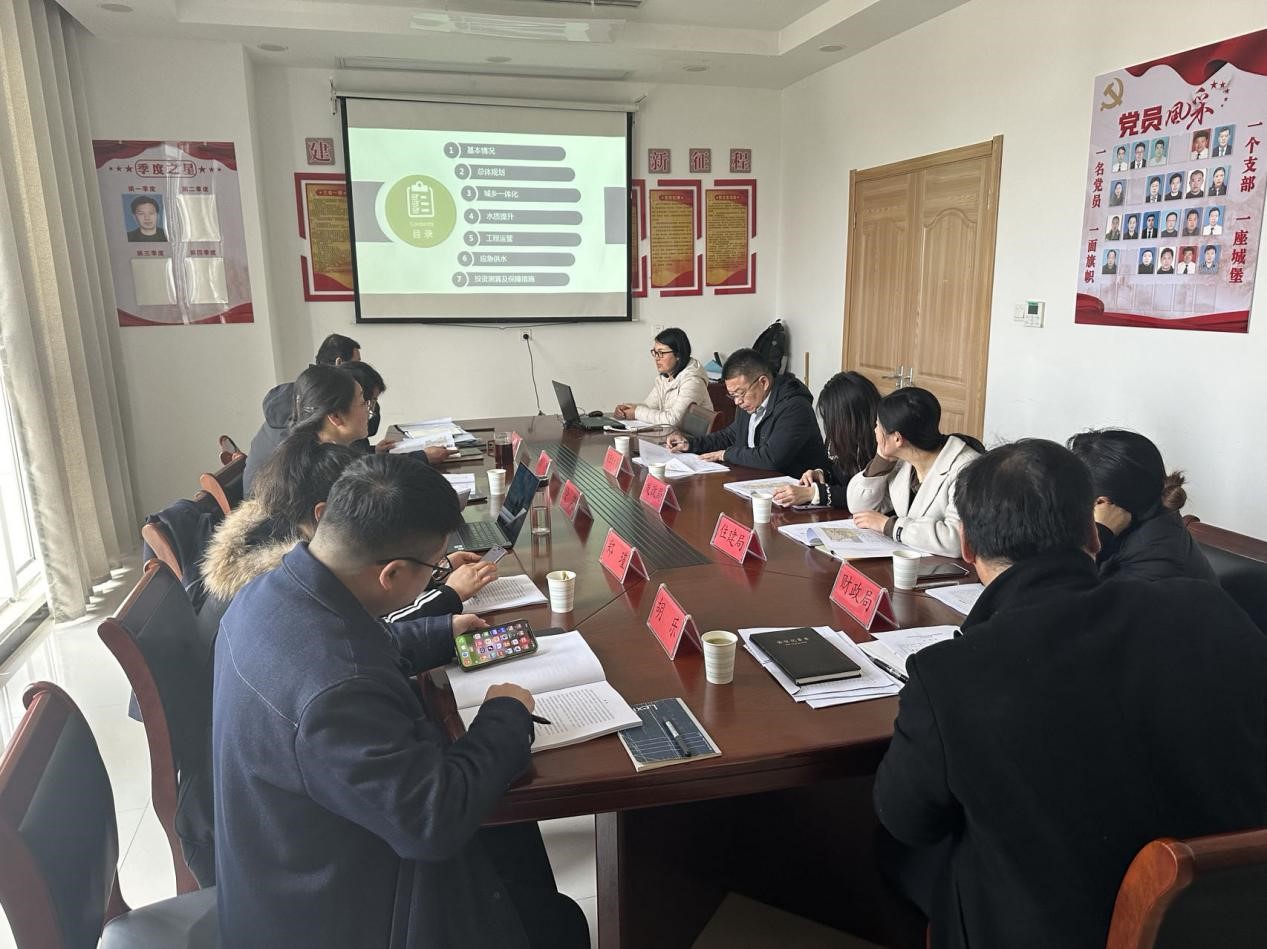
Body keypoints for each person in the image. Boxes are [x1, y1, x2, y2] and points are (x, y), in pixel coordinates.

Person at [873, 438, 1267, 949]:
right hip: (1236, 915)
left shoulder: (948, 675)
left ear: (967, 546)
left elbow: (907, 820)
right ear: (1093, 533)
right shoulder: (1205, 606)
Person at [213, 455, 589, 949]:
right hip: (341, 914)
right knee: (557, 923)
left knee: (515, 842)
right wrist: (505, 714)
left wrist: (439, 632)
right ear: (390, 574)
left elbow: (352, 644)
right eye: (435, 567)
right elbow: (432, 822)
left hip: (296, 862)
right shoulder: (336, 694)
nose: (438, 575)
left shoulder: (270, 592)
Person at [844, 387, 982, 557]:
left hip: (950, 569)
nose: (875, 431)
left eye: (878, 426)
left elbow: (956, 541)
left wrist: (889, 526)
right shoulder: (903, 461)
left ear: (897, 438)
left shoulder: (966, 468)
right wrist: (882, 460)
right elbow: (860, 508)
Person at [1067, 429, 1216, 583]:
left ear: (1102, 502)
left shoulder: (1154, 559)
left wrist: (1101, 533)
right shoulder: (1150, 510)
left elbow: (1066, 591)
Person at [665, 348, 829, 478]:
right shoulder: (752, 401)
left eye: (740, 393)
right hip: (756, 481)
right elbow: (730, 435)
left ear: (763, 382)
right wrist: (691, 444)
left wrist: (725, 455)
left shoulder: (794, 407)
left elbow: (771, 458)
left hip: (796, 491)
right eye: (733, 395)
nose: (737, 401)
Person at [247, 334, 363, 490]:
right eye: (364, 402)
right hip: (269, 499)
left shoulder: (302, 395)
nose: (360, 371)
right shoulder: (305, 446)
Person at [770, 371, 880, 508]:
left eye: (834, 420)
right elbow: (842, 474)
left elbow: (867, 495)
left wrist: (813, 494)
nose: (831, 427)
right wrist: (822, 474)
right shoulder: (840, 436)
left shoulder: (882, 444)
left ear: (852, 417)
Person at [613, 327, 710, 428]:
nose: (656, 358)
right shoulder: (664, 377)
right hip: (672, 434)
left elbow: (674, 419)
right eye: (655, 352)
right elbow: (649, 406)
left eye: (661, 353)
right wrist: (627, 409)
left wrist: (636, 412)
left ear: (678, 355)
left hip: (692, 437)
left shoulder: (694, 381)